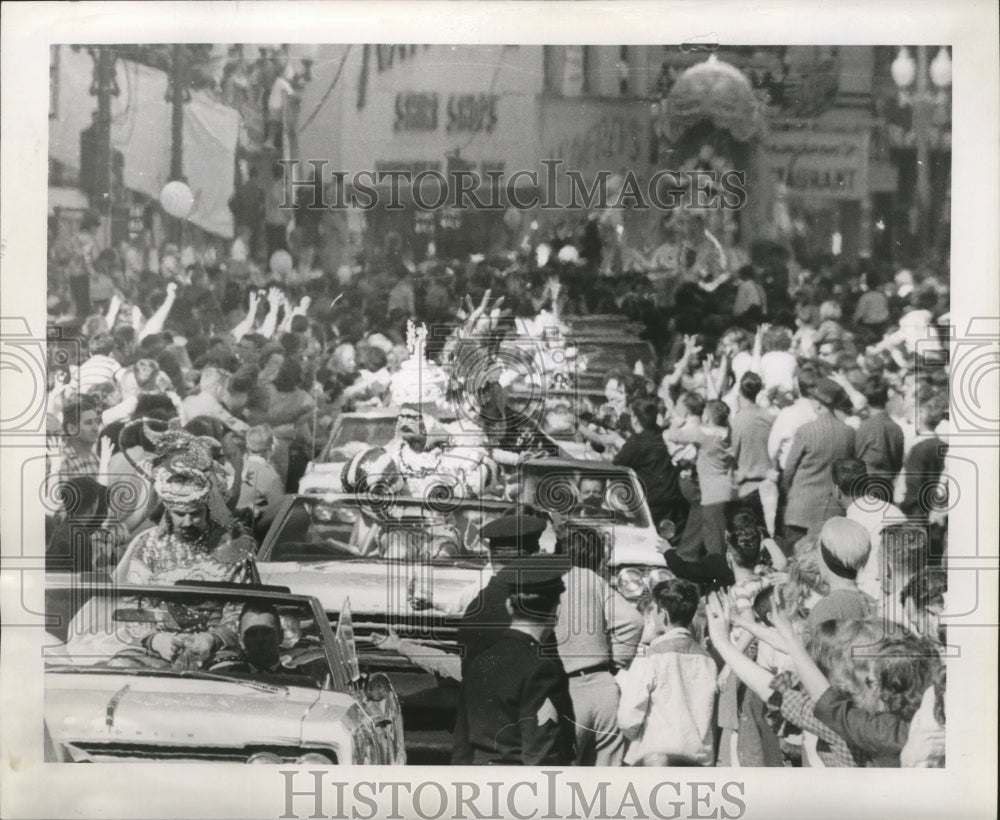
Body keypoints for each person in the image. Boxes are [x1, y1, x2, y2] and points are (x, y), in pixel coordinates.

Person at [113, 425, 258, 668]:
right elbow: (133, 604)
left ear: (207, 508)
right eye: (180, 514)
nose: (188, 522)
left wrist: (213, 638)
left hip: (215, 649)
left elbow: (244, 606)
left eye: (196, 514)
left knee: (232, 675)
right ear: (167, 509)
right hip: (159, 646)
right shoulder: (148, 545)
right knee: (120, 670)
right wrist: (156, 639)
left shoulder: (232, 545)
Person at [452, 555, 576, 765]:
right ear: (557, 610)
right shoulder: (541, 669)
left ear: (510, 605)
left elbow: (461, 746)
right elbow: (542, 754)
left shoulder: (480, 662)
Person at [615, 578, 717, 766]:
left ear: (663, 615)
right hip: (698, 758)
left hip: (657, 758)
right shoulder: (707, 659)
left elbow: (629, 717)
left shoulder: (649, 655)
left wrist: (633, 734)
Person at [783, 378, 856, 543]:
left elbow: (789, 469)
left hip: (799, 510)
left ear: (818, 404)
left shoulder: (805, 431)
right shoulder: (849, 433)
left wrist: (790, 493)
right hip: (831, 511)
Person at [662, 398, 735, 555]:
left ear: (707, 417)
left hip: (712, 495)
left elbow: (674, 435)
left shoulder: (703, 435)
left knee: (713, 541)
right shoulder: (728, 436)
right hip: (726, 490)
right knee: (719, 535)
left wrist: (675, 419)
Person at [614, 398, 683, 531]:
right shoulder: (661, 435)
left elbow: (616, 466)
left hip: (650, 501)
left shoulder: (636, 442)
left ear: (635, 419)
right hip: (670, 497)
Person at [805, 517, 876, 635]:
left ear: (827, 557)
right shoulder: (872, 603)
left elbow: (810, 653)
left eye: (818, 548)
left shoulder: (826, 609)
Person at [854, 377, 905, 487]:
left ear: (866, 399)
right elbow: (898, 463)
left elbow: (856, 456)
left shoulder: (865, 426)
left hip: (867, 485)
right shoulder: (896, 428)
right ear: (886, 399)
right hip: (888, 486)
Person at [181, 367, 250, 434]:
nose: (227, 392)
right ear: (219, 390)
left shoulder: (188, 400)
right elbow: (239, 426)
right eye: (226, 389)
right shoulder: (216, 408)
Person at [57, 396, 102, 480]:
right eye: (88, 423)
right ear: (71, 429)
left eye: (97, 421)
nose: (96, 428)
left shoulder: (94, 456)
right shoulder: (62, 461)